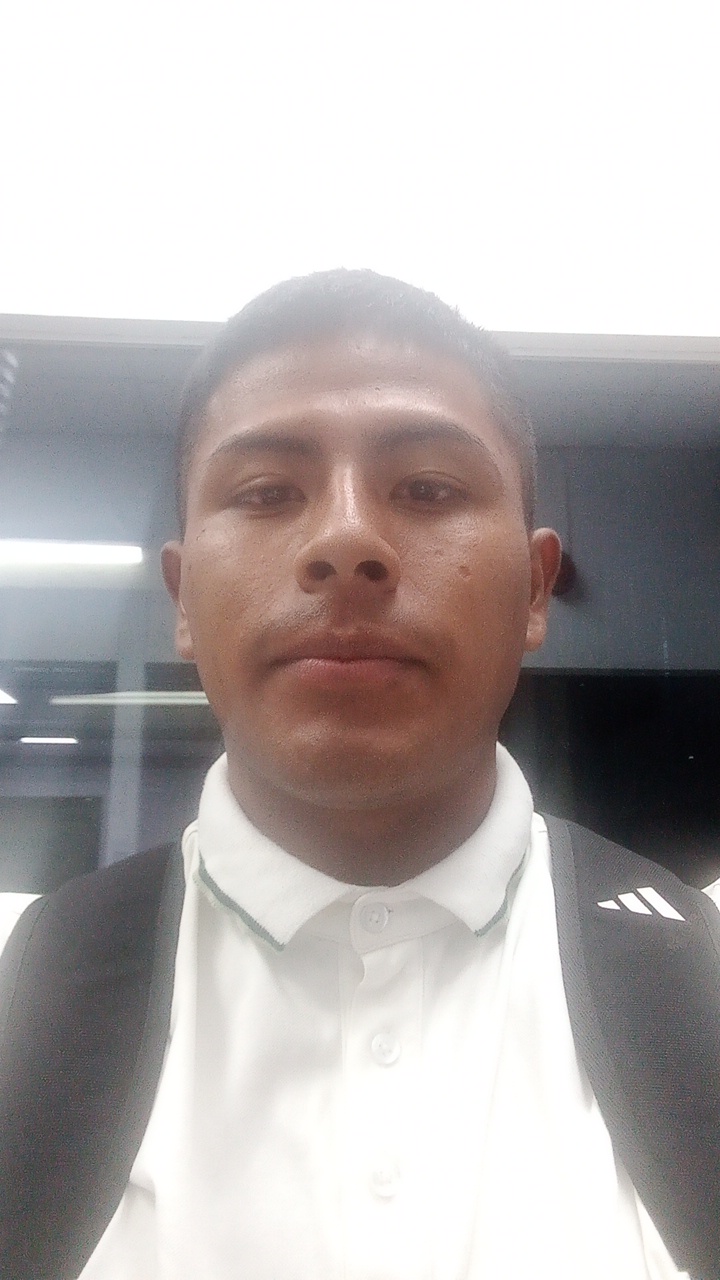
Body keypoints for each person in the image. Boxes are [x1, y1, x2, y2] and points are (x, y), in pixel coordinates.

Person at [1, 269, 719, 1279]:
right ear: (183, 599)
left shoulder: (702, 981)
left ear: (534, 588)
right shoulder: (18, 996)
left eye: (428, 488)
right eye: (266, 492)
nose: (345, 539)